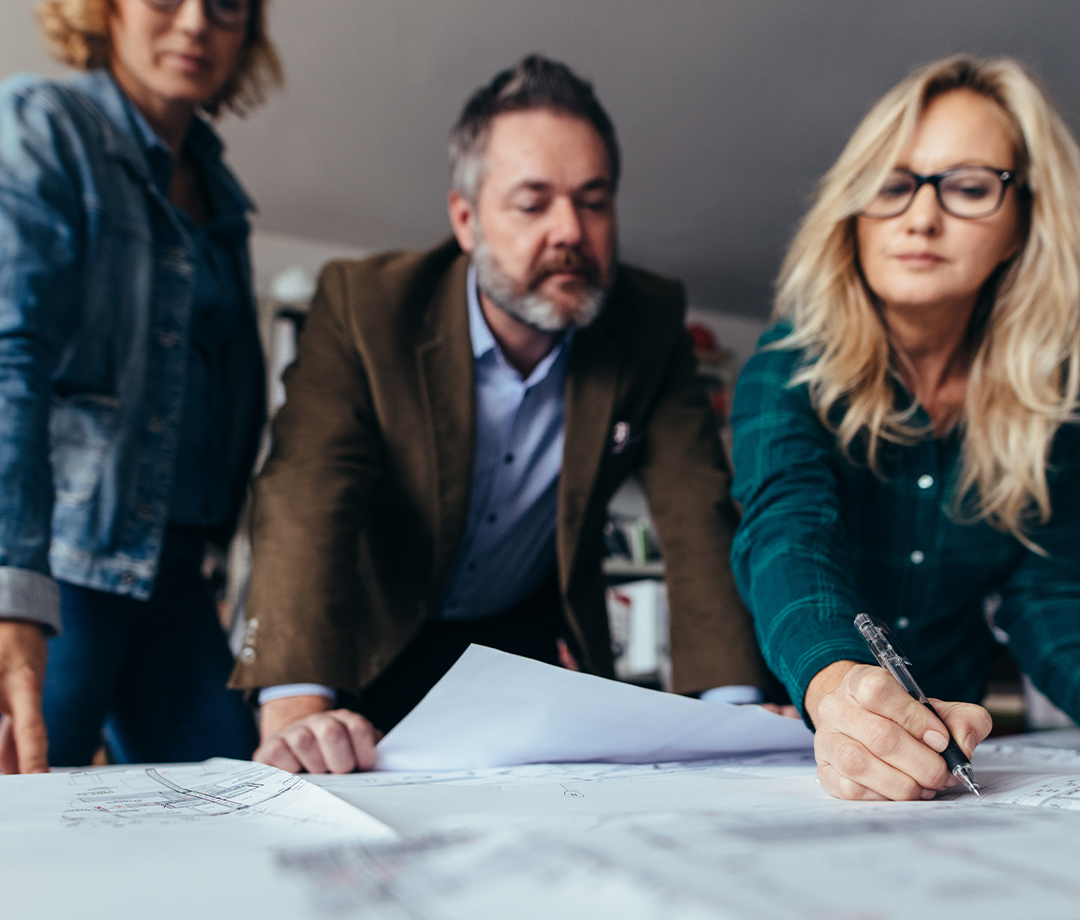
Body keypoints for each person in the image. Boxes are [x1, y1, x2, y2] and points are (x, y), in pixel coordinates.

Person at [233, 55, 766, 774]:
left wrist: (730, 716)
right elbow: (306, 490)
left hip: (517, 654)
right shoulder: (366, 306)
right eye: (532, 203)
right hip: (369, 638)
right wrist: (298, 708)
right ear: (466, 218)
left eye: (594, 200)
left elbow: (698, 507)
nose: (570, 231)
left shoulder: (648, 321)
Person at [730, 55, 1080, 802]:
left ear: (1022, 223)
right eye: (893, 185)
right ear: (853, 211)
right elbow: (787, 535)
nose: (921, 217)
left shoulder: (1050, 404)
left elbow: (1047, 599)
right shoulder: (786, 367)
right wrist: (834, 684)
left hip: (957, 769)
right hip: (805, 746)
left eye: (968, 187)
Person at [0, 0, 282, 772]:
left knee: (234, 813)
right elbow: (7, 355)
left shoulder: (224, 198)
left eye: (225, 6)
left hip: (179, 578)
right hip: (65, 565)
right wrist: (11, 593)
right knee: (21, 818)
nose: (194, 24)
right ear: (106, 9)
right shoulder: (44, 126)